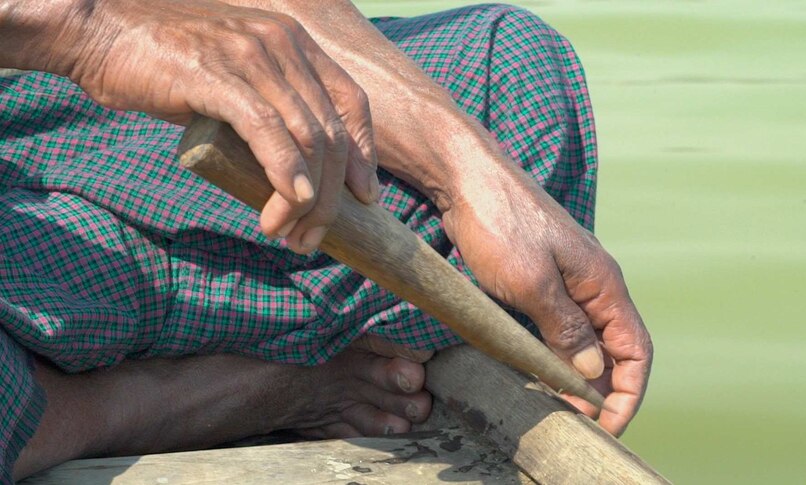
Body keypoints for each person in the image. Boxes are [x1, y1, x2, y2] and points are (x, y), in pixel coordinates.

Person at [0, 0, 653, 481]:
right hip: (42, 135)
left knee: (509, 68)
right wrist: (95, 35)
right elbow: (85, 28)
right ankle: (205, 394)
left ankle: (271, 327)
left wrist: (466, 171)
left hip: (32, 90)